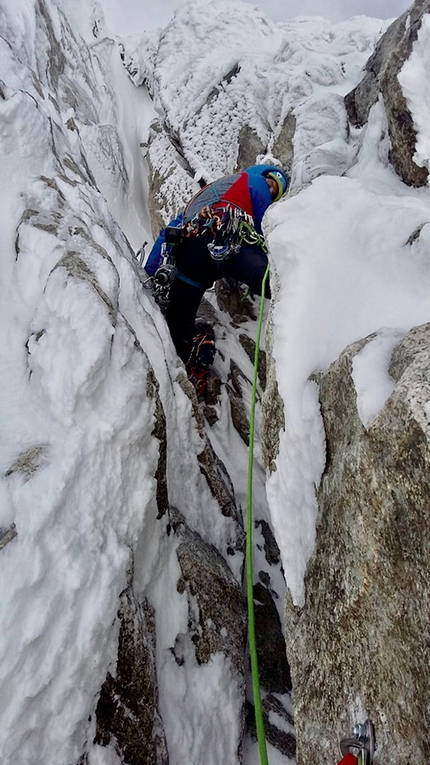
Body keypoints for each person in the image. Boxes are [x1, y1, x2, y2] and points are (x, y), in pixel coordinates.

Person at [144, 163, 289, 370]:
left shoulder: (203, 195)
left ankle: (183, 361)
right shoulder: (254, 182)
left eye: (273, 190)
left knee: (179, 322)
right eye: (271, 183)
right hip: (234, 241)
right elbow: (265, 224)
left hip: (193, 251)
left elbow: (171, 230)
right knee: (273, 281)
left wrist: (149, 271)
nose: (269, 188)